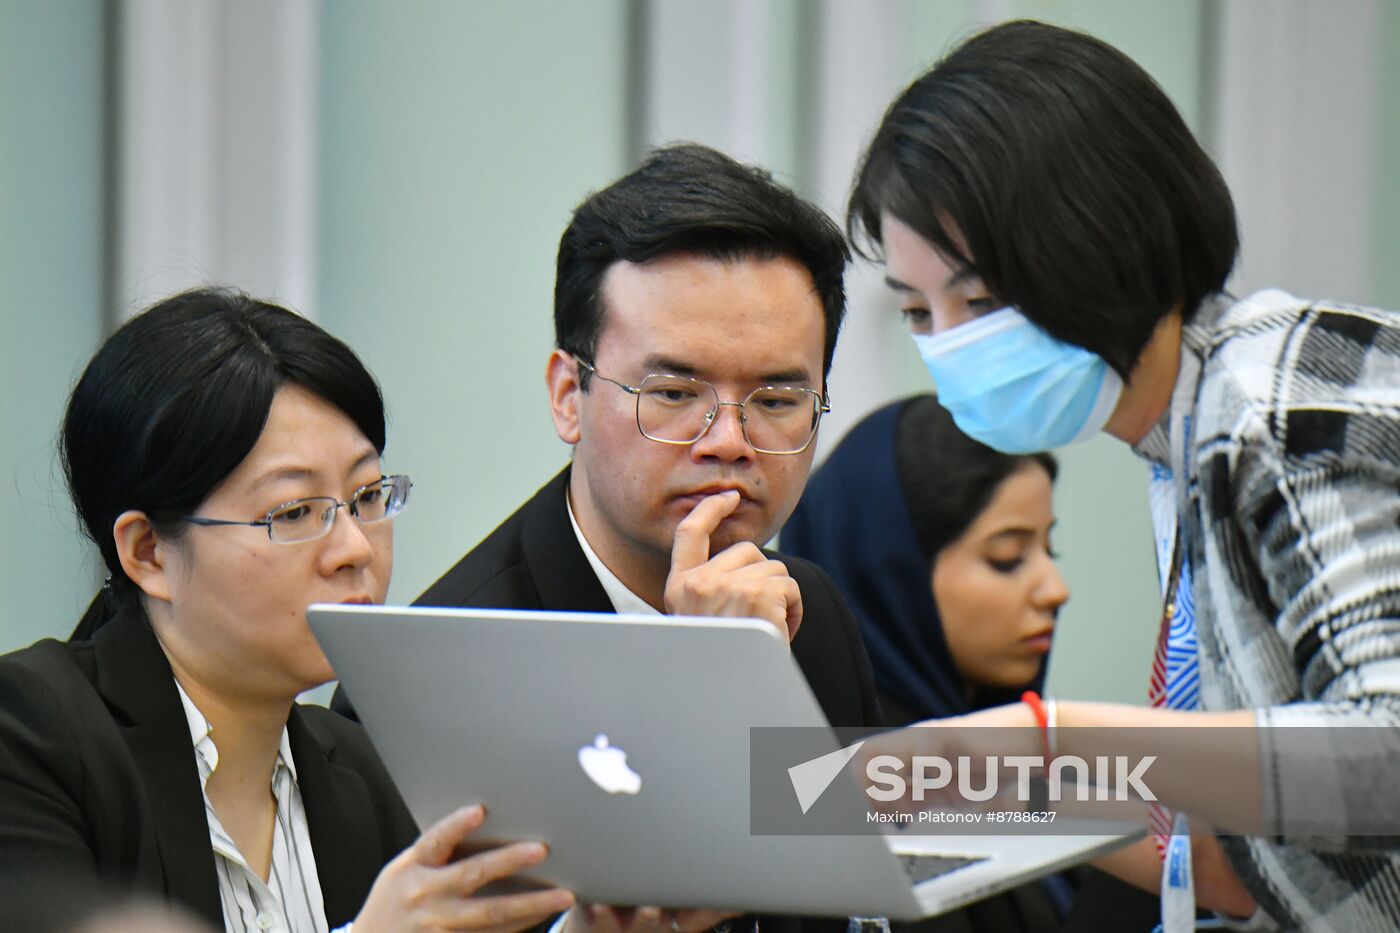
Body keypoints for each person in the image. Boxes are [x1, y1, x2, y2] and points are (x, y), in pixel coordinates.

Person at [848, 18, 1400, 933]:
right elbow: (1266, 865)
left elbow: (1385, 757)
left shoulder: (1268, 409)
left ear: (1098, 238)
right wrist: (972, 789)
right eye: (917, 311)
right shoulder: (1183, 442)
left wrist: (1054, 749)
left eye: (979, 299)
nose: (951, 346)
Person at [335, 144, 881, 933]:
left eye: (777, 397)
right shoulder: (437, 675)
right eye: (672, 392)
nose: (729, 439)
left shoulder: (810, 611)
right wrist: (701, 689)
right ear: (568, 395)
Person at [0, 288, 575, 933]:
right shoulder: (29, 736)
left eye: (366, 497)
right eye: (295, 513)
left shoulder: (366, 767)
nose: (355, 548)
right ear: (148, 553)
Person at [784, 396, 1160, 933]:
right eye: (1007, 557)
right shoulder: (855, 789)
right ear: (895, 574)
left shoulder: (1012, 770)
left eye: (1050, 550)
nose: (1055, 589)